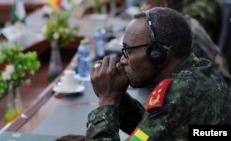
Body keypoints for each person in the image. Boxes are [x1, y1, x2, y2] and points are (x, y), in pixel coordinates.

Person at [86, 7, 231, 140]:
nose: (122, 61)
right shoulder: (200, 70)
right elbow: (151, 130)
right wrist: (118, 96)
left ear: (159, 55)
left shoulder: (181, 94)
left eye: (128, 51)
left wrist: (107, 100)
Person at [141, 0, 231, 83]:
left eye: (146, 3)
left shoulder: (176, 34)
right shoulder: (182, 22)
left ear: (163, 5)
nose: (142, 8)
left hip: (216, 88)